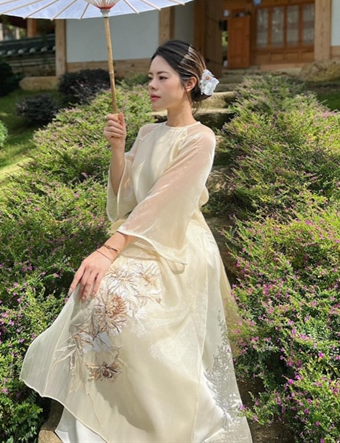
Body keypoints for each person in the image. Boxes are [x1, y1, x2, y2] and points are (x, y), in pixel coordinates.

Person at [20, 40, 252, 443]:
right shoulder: (147, 132)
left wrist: (108, 249)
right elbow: (125, 197)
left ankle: (163, 411)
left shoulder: (200, 139)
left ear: (188, 83)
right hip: (139, 234)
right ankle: (104, 405)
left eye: (162, 77)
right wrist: (117, 149)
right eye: (149, 77)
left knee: (126, 309)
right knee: (93, 294)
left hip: (178, 243)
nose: (152, 85)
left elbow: (166, 201)